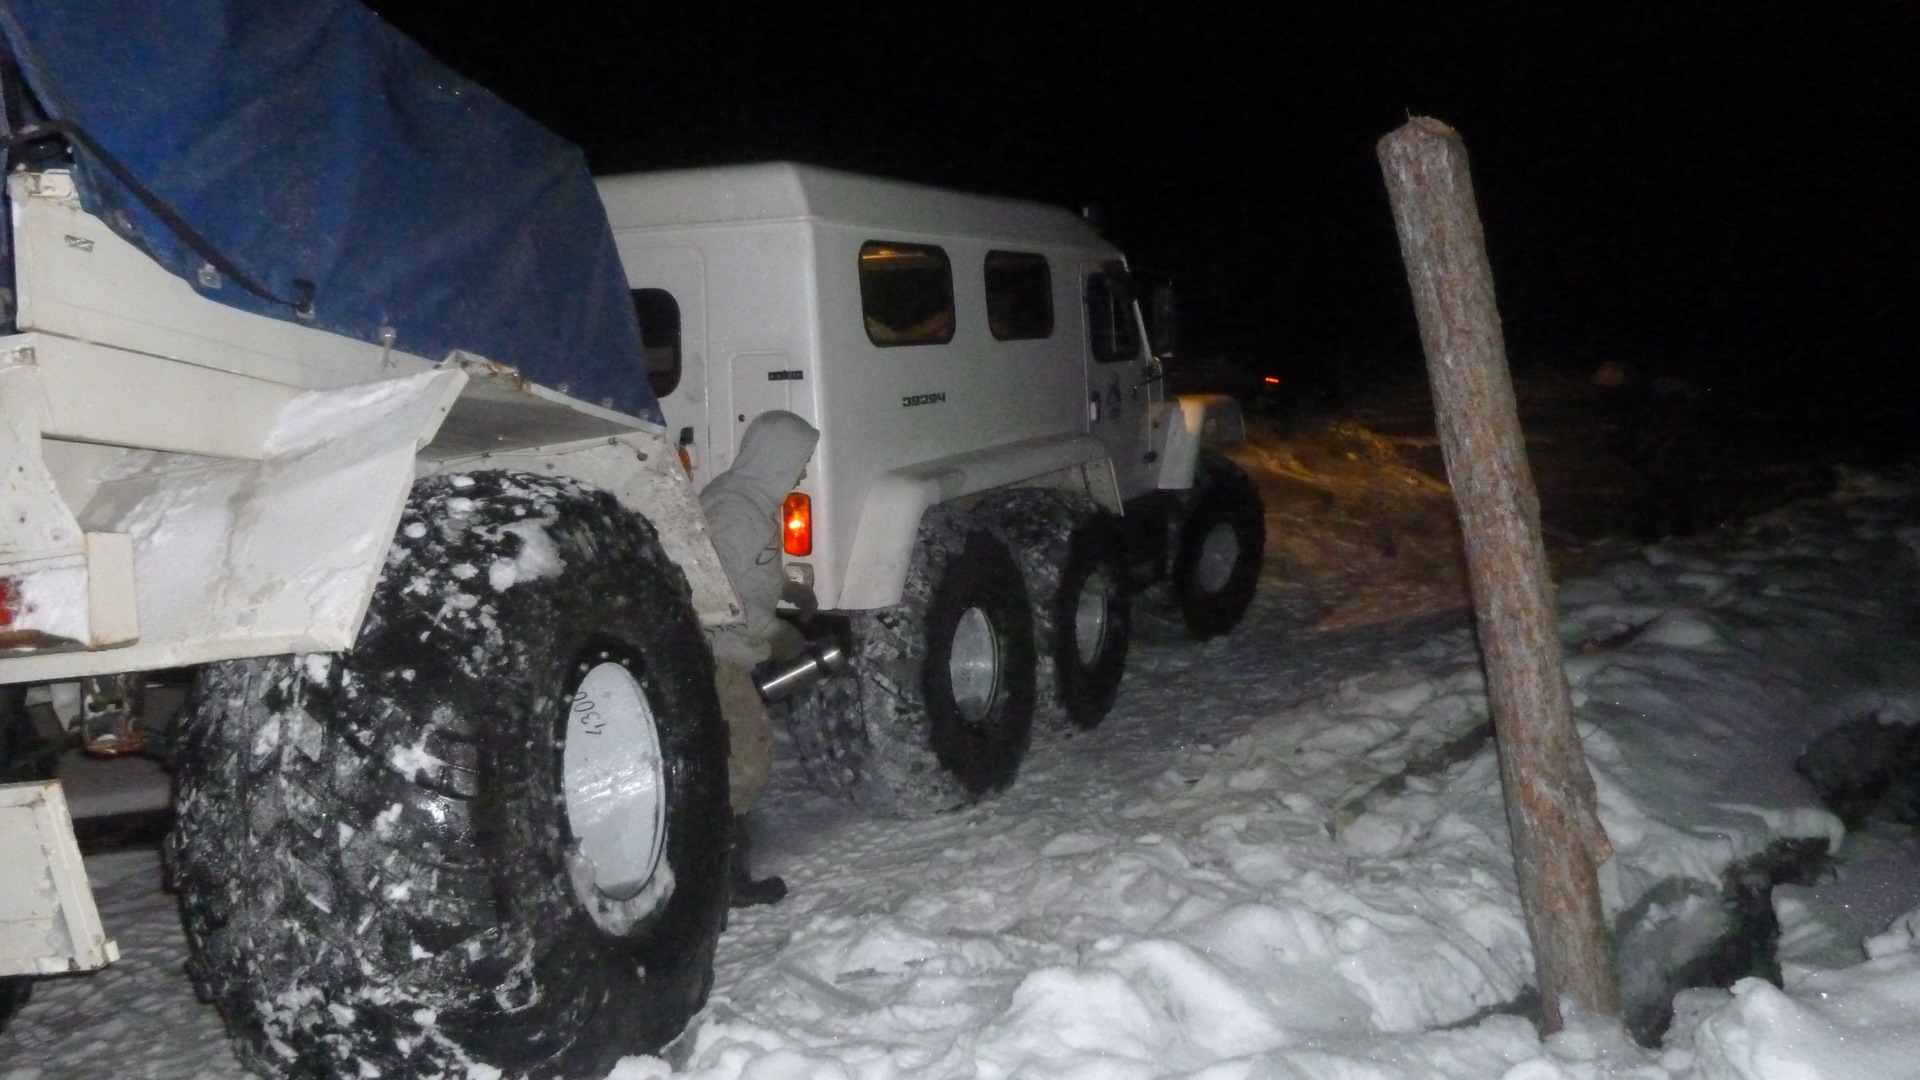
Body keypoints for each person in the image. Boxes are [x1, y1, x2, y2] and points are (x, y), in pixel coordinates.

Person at [698, 409, 819, 907]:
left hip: (729, 651)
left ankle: (724, 875)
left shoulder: (750, 501)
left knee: (737, 758)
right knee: (743, 760)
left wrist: (786, 587)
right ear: (775, 458)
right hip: (719, 654)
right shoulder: (735, 510)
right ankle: (725, 880)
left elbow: (748, 572)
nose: (804, 473)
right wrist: (778, 633)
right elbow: (721, 598)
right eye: (799, 462)